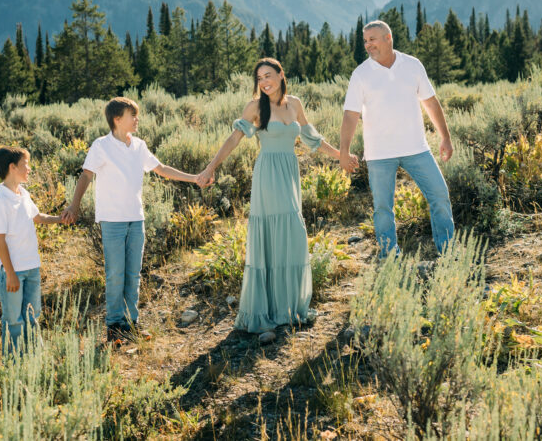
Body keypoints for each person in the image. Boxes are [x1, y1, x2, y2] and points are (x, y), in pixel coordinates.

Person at [199, 58, 353, 335]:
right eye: (259, 78)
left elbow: (312, 139)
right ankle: (268, 309)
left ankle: (290, 306)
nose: (264, 82)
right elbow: (234, 139)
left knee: (292, 232)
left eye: (268, 75)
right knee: (276, 232)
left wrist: (341, 155)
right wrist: (211, 167)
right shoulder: (255, 106)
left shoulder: (294, 103)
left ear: (282, 75)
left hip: (289, 172)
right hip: (268, 175)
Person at [62, 97, 202, 345]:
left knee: (133, 274)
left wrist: (195, 178)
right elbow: (86, 176)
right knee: (115, 274)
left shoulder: (139, 145)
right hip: (112, 221)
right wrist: (74, 204)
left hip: (136, 220)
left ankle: (131, 323)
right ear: (117, 119)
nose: (137, 119)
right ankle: (114, 327)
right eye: (132, 115)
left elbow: (161, 169)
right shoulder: (101, 145)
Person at [339, 20, 455, 258]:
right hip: (379, 154)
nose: (367, 45)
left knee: (440, 196)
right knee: (383, 209)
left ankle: (448, 251)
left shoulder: (412, 65)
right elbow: (351, 115)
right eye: (365, 41)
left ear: (388, 38)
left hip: (417, 148)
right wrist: (343, 151)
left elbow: (430, 102)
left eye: (372, 39)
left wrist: (445, 137)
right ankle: (389, 256)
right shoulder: (361, 74)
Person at [0, 146, 63, 354]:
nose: (29, 169)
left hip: (32, 267)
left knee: (33, 316)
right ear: (12, 168)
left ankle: (33, 360)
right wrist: (10, 274)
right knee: (14, 320)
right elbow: (0, 241)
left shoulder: (23, 194)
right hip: (13, 272)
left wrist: (61, 219)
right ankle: (13, 366)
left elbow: (38, 217)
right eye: (25, 165)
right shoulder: (0, 202)